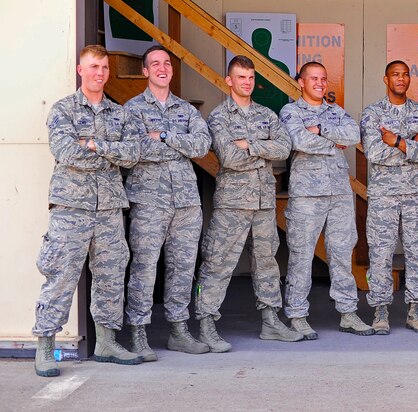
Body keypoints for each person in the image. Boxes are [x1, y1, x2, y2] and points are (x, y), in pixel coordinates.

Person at [33, 44, 143, 377]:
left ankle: (106, 343)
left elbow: (132, 155)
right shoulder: (63, 110)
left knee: (111, 275)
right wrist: (110, 152)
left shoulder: (119, 113)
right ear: (81, 70)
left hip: (108, 208)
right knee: (61, 275)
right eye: (94, 67)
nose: (100, 73)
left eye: (104, 67)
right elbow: (66, 152)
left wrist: (94, 144)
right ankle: (45, 347)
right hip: (71, 208)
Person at [193, 55, 297, 352]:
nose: (247, 82)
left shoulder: (266, 114)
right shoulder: (219, 117)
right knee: (218, 261)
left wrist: (250, 145)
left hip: (264, 201)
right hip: (233, 203)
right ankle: (206, 324)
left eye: (251, 78)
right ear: (229, 80)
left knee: (267, 262)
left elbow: (284, 147)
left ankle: (270, 321)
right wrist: (263, 151)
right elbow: (228, 158)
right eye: (241, 77)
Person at [123, 46, 212, 361]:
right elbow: (136, 150)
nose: (162, 68)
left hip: (186, 202)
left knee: (183, 267)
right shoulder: (131, 109)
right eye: (155, 64)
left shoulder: (186, 109)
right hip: (149, 201)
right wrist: (179, 144)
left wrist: (162, 136)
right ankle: (138, 333)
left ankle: (178, 331)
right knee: (144, 267)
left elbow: (202, 145)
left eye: (167, 63)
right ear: (145, 71)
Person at [280, 61, 374, 338]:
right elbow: (298, 141)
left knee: (342, 253)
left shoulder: (335, 111)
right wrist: (334, 141)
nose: (320, 83)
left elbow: (353, 135)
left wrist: (320, 129)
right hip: (307, 194)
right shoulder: (291, 111)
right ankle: (297, 315)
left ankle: (348, 313)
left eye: (323, 78)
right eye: (314, 78)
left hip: (339, 193)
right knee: (301, 256)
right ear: (301, 82)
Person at [360, 60, 418, 335]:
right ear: (386, 79)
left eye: (405, 74)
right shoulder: (373, 113)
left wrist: (396, 141)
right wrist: (413, 142)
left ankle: (415, 312)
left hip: (415, 194)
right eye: (395, 74)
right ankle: (380, 312)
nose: (401, 79)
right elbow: (374, 153)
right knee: (380, 253)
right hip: (384, 195)